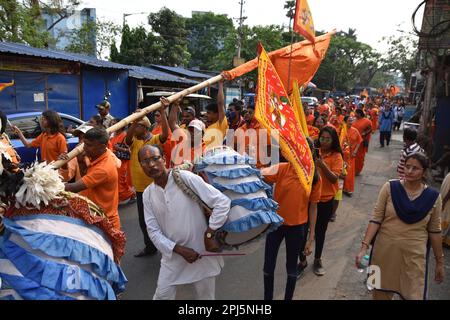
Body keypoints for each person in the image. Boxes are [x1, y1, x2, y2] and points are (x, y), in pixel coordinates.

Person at [140, 144, 230, 300]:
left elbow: (222, 202)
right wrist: (179, 250)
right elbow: (153, 231)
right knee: (162, 296)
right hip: (173, 257)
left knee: (206, 298)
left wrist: (209, 234)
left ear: (164, 159)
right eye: (145, 161)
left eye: (155, 159)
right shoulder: (147, 194)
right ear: (141, 166)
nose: (152, 165)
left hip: (201, 253)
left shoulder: (184, 178)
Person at [356, 153, 444, 300]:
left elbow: (435, 231)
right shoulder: (390, 187)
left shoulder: (433, 197)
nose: (409, 171)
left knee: (414, 294)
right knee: (379, 294)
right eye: (407, 166)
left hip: (414, 257)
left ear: (424, 171)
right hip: (383, 253)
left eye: (415, 168)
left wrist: (439, 262)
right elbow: (376, 219)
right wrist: (364, 248)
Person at [261, 140, 322, 300]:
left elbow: (314, 207)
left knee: (291, 268)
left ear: (309, 153)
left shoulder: (313, 178)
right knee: (268, 267)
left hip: (297, 228)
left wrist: (311, 238)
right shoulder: (282, 168)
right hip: (275, 226)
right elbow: (260, 175)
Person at [126, 102, 169, 257]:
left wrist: (163, 112)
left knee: (163, 218)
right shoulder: (135, 141)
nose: (133, 128)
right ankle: (150, 247)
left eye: (136, 126)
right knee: (144, 221)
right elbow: (127, 138)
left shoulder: (155, 139)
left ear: (144, 127)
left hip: (157, 186)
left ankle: (169, 245)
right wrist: (134, 119)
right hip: (140, 189)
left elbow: (165, 135)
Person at [64, 127, 121, 230]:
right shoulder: (96, 155)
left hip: (104, 221)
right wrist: (78, 162)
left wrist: (49, 185)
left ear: (102, 146)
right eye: (83, 143)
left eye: (88, 145)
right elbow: (84, 177)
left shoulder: (104, 168)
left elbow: (74, 187)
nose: (84, 147)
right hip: (92, 217)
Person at [312, 126, 343, 275]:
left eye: (327, 139)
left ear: (333, 140)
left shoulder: (337, 156)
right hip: (309, 199)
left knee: (320, 232)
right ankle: (302, 260)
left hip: (325, 200)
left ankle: (317, 259)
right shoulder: (313, 150)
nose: (323, 141)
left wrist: (322, 165)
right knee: (303, 231)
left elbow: (334, 178)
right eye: (322, 138)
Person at [109, 118, 136, 205]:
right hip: (114, 162)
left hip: (122, 163)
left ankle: (130, 194)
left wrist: (118, 148)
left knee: (121, 181)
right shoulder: (112, 136)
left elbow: (129, 150)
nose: (112, 125)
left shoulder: (125, 135)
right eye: (112, 123)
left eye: (114, 124)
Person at [204, 77, 228, 148]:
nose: (206, 115)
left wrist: (220, 84)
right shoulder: (207, 126)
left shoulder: (221, 124)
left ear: (216, 114)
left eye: (208, 113)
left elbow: (220, 103)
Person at [343, 116, 363, 196]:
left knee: (350, 173)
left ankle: (348, 189)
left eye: (351, 120)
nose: (351, 122)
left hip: (351, 155)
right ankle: (341, 188)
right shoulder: (341, 131)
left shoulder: (355, 131)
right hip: (342, 155)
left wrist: (355, 151)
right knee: (341, 172)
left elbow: (359, 141)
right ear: (345, 122)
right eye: (349, 120)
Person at [353, 109, 372, 175]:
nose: (354, 115)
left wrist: (363, 134)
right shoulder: (354, 120)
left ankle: (358, 170)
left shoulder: (367, 121)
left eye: (356, 113)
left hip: (362, 142)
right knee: (353, 155)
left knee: (360, 156)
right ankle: (353, 169)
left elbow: (370, 129)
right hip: (354, 141)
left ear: (359, 114)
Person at [440, 172, 450, 248]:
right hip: (447, 200)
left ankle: (444, 239)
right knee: (446, 216)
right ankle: (442, 239)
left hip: (446, 199)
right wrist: (444, 201)